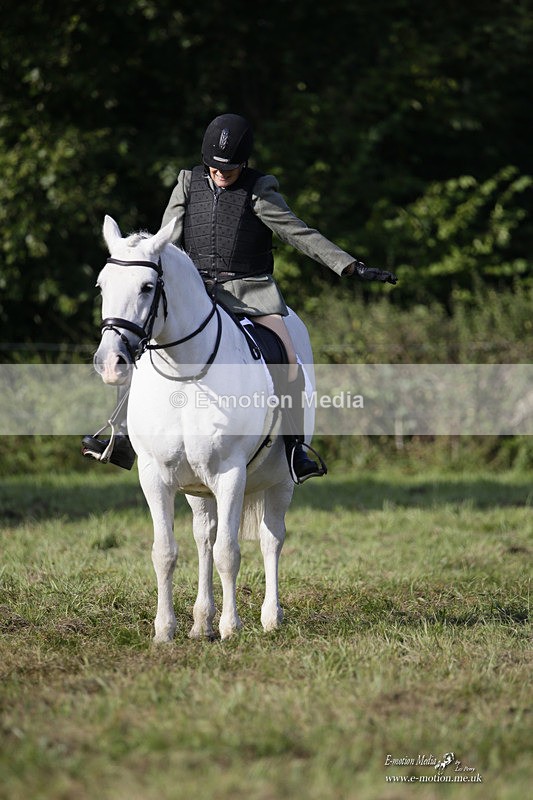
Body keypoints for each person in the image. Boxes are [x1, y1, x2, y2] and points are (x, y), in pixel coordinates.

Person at [82, 113, 396, 482]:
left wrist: (349, 266)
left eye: (228, 169)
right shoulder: (187, 183)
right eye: (214, 167)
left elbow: (299, 233)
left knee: (288, 359)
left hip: (250, 293)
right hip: (196, 292)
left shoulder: (259, 189)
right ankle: (121, 436)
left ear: (244, 163)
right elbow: (166, 238)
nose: (220, 174)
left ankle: (295, 449)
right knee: (142, 344)